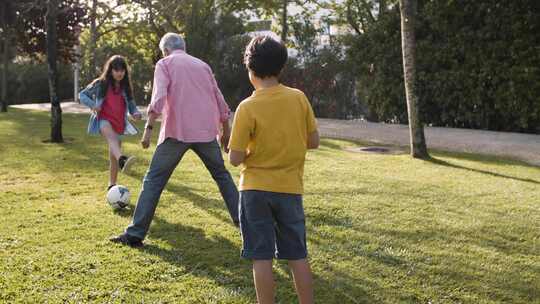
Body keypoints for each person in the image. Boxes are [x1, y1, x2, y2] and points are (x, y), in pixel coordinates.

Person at [110, 33, 239, 248]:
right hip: (206, 132)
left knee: (154, 181)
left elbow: (158, 96)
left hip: (177, 132)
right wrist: (225, 131)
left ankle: (135, 234)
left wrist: (148, 129)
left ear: (166, 50)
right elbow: (219, 98)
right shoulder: (203, 65)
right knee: (222, 176)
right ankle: (245, 223)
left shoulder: (165, 63)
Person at [228, 35, 320, 304]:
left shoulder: (247, 107)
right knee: (297, 255)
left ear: (249, 69)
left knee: (262, 256)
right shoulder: (298, 98)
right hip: (290, 189)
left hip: (254, 190)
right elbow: (313, 141)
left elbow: (234, 158)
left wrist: (249, 153)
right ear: (281, 68)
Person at [79, 55, 142, 190]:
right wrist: (93, 105)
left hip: (119, 123)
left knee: (113, 156)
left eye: (122, 70)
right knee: (112, 139)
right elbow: (82, 95)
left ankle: (111, 184)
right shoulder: (101, 83)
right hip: (103, 120)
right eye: (116, 70)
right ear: (110, 70)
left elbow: (132, 106)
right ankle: (123, 160)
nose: (119, 73)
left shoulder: (126, 87)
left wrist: (136, 113)